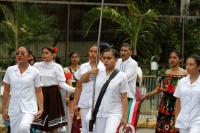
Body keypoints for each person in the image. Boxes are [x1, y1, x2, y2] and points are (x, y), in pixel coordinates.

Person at [80, 48, 128, 133]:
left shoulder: (122, 76)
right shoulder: (98, 72)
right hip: (98, 110)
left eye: (109, 58)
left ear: (116, 59)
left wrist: (125, 116)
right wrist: (89, 72)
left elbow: (124, 97)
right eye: (104, 58)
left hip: (114, 111)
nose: (105, 61)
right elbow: (82, 80)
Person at [141, 51, 187, 133]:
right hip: (164, 104)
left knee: (175, 127)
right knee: (162, 127)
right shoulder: (166, 73)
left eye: (175, 58)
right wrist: (146, 95)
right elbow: (159, 88)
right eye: (170, 58)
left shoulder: (185, 74)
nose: (172, 59)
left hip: (177, 104)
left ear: (180, 60)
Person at [31, 46, 75, 133]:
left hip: (53, 94)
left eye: (46, 53)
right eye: (43, 53)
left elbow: (62, 83)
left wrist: (74, 90)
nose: (44, 55)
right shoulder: (36, 65)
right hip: (40, 93)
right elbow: (32, 80)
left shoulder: (57, 67)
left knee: (52, 124)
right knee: (40, 123)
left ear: (52, 55)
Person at [2, 46, 44, 133]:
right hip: (14, 108)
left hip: (29, 107)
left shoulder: (35, 72)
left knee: (23, 128)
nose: (19, 55)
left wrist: (41, 109)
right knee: (15, 131)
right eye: (17, 53)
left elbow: (39, 91)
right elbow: (6, 90)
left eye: (22, 53)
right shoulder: (10, 70)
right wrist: (3, 109)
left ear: (29, 56)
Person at [73, 45, 105, 133]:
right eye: (91, 51)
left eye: (95, 52)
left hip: (97, 101)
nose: (93, 53)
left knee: (90, 121)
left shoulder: (103, 67)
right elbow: (79, 86)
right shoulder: (83, 67)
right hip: (84, 100)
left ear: (100, 54)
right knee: (85, 127)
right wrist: (75, 103)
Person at [174, 54, 200, 133]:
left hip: (197, 120)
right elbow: (178, 101)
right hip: (183, 120)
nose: (188, 67)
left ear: (199, 67)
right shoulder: (181, 82)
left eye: (191, 65)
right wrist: (176, 120)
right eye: (187, 64)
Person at [64, 51, 80, 132]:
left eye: (76, 57)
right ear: (70, 59)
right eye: (73, 57)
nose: (75, 59)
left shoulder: (81, 69)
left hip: (79, 93)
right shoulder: (66, 70)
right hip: (69, 93)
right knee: (70, 113)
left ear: (79, 58)